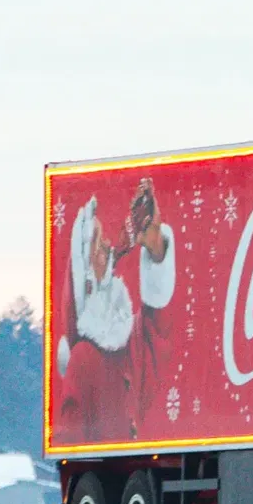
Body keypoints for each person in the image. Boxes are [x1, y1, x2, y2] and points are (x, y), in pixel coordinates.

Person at [54, 179, 177, 444]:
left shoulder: (126, 340)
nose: (109, 244)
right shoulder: (83, 359)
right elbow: (72, 443)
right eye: (99, 245)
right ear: (88, 279)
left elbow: (159, 332)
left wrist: (156, 247)